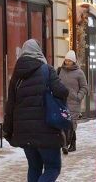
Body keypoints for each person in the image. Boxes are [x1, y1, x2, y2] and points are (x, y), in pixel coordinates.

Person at [6, 40, 69, 181]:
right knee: (53, 167)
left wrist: (8, 130)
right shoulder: (47, 69)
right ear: (38, 52)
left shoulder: (16, 76)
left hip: (24, 131)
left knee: (34, 167)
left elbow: (10, 104)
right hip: (46, 130)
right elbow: (62, 91)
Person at [57, 50, 88, 154]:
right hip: (62, 101)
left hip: (74, 102)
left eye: (69, 61)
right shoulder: (60, 71)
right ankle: (71, 144)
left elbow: (84, 87)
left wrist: (78, 97)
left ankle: (66, 144)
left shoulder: (79, 73)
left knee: (71, 123)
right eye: (66, 60)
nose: (67, 62)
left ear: (74, 61)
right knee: (64, 122)